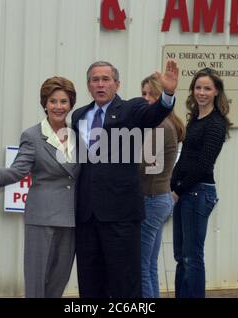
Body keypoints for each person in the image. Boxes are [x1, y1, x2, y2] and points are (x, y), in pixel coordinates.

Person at [71, 60, 179, 298]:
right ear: (88, 85)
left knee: (125, 285)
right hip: (87, 217)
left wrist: (168, 94)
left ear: (117, 84)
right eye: (95, 79)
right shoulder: (79, 116)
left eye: (106, 79)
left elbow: (153, 115)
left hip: (121, 217)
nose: (100, 84)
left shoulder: (132, 109)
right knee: (90, 284)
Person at [0, 77, 79, 298]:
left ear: (70, 104)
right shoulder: (33, 136)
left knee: (60, 279)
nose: (58, 107)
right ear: (44, 104)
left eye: (64, 101)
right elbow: (19, 170)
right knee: (37, 282)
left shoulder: (79, 135)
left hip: (71, 217)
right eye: (53, 101)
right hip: (42, 216)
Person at [170, 67, 231, 298]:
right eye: (198, 87)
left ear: (216, 92)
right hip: (183, 191)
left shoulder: (216, 124)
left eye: (207, 88)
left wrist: (178, 190)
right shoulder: (195, 120)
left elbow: (204, 164)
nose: (202, 92)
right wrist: (172, 185)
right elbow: (184, 159)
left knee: (192, 256)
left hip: (198, 193)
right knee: (180, 256)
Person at [139, 74, 185, 298]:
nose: (147, 99)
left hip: (151, 199)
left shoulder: (159, 126)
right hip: (159, 198)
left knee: (140, 268)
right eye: (144, 94)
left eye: (152, 94)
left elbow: (143, 165)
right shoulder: (166, 123)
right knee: (148, 266)